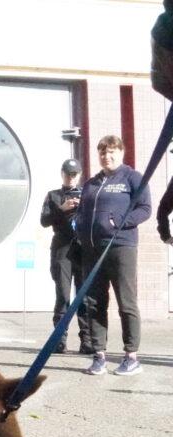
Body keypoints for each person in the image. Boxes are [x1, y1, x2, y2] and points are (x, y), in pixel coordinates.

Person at [75, 135, 151, 377]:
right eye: (102, 153)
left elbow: (145, 209)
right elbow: (82, 210)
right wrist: (78, 225)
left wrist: (118, 222)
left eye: (111, 152)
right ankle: (99, 356)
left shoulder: (132, 178)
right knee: (94, 302)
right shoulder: (92, 183)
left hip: (121, 247)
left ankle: (131, 356)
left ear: (121, 152)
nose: (106, 157)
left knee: (126, 302)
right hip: (92, 250)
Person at [39, 158, 92, 355]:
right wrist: (61, 209)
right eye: (68, 173)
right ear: (62, 173)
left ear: (79, 175)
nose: (71, 177)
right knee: (63, 295)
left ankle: (87, 341)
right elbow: (44, 221)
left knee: (83, 296)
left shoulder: (87, 195)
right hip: (61, 248)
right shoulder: (53, 196)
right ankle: (59, 341)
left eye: (74, 174)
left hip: (82, 249)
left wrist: (82, 206)